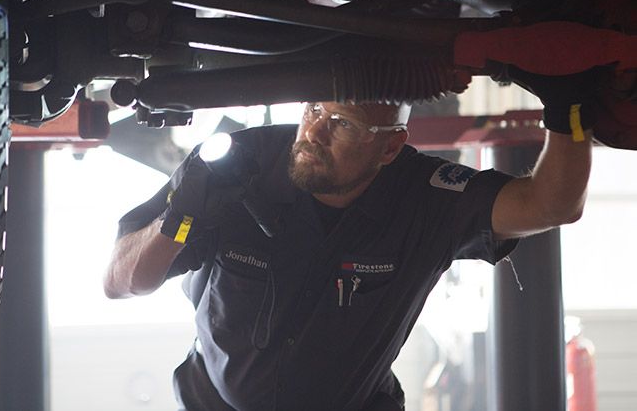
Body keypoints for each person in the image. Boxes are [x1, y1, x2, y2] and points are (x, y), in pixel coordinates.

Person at [104, 72, 594, 411]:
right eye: (314, 108)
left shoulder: (423, 200)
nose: (314, 130)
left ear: (390, 146)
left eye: (342, 123)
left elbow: (550, 206)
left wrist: (569, 105)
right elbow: (121, 283)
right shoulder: (241, 167)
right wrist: (178, 220)